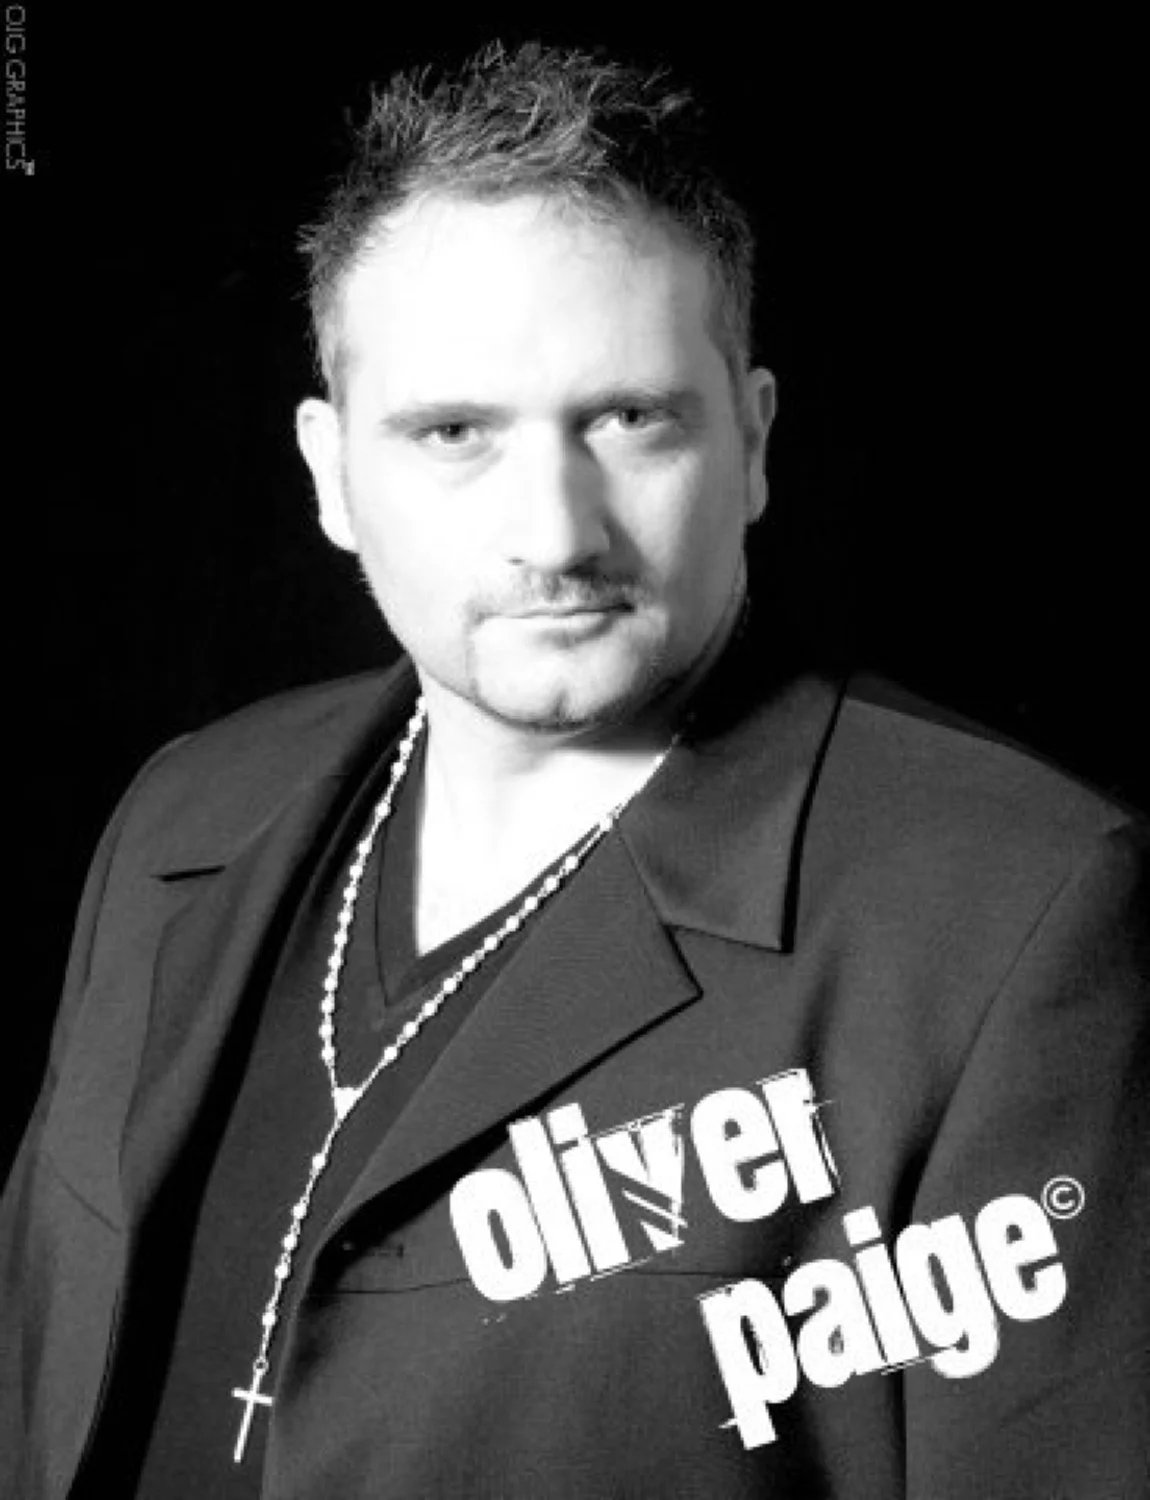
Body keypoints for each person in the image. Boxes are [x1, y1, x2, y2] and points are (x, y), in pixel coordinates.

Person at [2, 40, 1146, 1500]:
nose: (553, 530)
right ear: (331, 474)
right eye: (453, 433)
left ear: (753, 442)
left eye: (629, 419)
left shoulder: (1014, 912)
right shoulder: (183, 811)